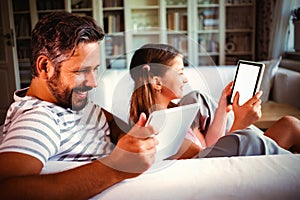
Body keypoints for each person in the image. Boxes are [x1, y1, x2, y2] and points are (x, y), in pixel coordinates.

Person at [0, 12, 159, 199]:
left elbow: (111, 123)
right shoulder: (39, 118)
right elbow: (6, 189)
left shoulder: (73, 102)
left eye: (95, 69)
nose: (93, 83)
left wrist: (128, 139)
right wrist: (116, 168)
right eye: (82, 71)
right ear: (44, 67)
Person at [128, 43, 300, 158]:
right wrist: (240, 124)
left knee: (289, 124)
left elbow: (211, 146)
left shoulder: (176, 113)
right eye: (180, 72)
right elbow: (211, 161)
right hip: (230, 170)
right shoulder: (158, 128)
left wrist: (222, 109)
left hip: (226, 157)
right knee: (271, 132)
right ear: (157, 81)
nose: (185, 79)